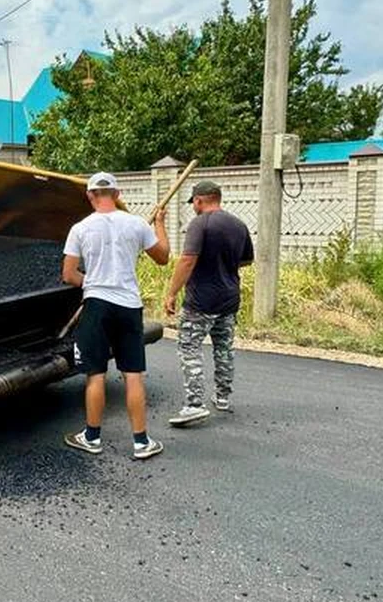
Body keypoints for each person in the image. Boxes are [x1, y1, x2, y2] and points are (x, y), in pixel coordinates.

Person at [62, 171, 170, 459]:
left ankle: (92, 437)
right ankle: (141, 442)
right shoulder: (136, 224)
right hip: (128, 305)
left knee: (95, 374)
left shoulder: (80, 228)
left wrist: (94, 282)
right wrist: (160, 224)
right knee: (133, 375)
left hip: (96, 306)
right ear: (118, 194)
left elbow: (68, 274)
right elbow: (163, 257)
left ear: (90, 196)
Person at [163, 180, 254, 426]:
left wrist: (171, 293)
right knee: (224, 348)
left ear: (200, 200)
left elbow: (187, 261)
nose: (193, 206)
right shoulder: (238, 225)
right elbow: (246, 260)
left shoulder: (200, 224)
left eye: (193, 202)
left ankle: (194, 405)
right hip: (229, 299)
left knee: (189, 348)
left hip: (200, 302)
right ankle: (222, 397)